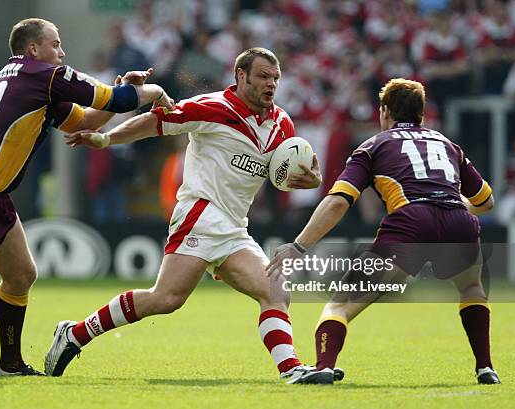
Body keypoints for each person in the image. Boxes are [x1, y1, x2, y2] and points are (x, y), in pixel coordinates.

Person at [45, 47, 329, 384]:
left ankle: (291, 370)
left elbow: (279, 174)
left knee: (275, 290)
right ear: (241, 76)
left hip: (235, 227)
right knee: (166, 299)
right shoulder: (213, 108)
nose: (271, 84)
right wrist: (108, 139)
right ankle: (74, 334)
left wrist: (309, 180)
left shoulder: (281, 124)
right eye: (263, 76)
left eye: (276, 78)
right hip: (201, 213)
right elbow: (156, 122)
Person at [0, 17, 173, 376]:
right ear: (33, 49)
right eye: (56, 44)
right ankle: (11, 364)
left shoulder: (24, 79)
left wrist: (124, 89)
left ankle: (11, 365)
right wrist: (153, 92)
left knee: (21, 276)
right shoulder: (44, 75)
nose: (62, 52)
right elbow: (118, 100)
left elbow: (85, 123)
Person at [266, 78, 500, 385]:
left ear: (385, 111)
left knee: (340, 303)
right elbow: (486, 201)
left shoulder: (373, 145)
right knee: (472, 290)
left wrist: (298, 246)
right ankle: (486, 368)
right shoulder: (447, 144)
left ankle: (323, 366)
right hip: (458, 219)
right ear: (421, 113)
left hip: (410, 223)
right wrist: (449, 209)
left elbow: (339, 201)